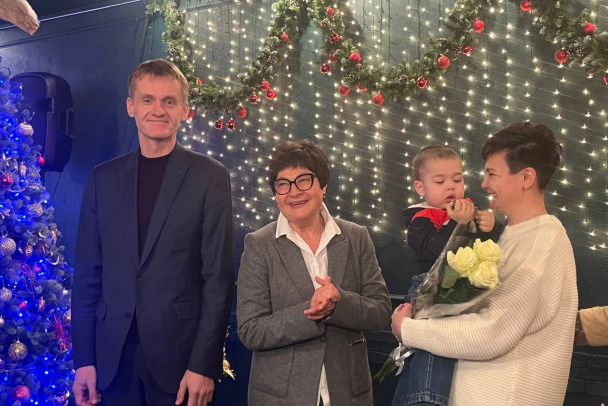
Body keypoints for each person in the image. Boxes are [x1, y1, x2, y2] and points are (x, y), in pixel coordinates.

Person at [71, 59, 235, 406]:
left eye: (169, 101)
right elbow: (87, 274)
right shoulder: (103, 178)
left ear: (184, 111)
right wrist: (83, 360)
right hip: (111, 361)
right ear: (131, 106)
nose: (158, 110)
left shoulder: (210, 177)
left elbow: (218, 280)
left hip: (181, 364)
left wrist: (204, 365)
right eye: (147, 99)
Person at [391, 122, 578, 406]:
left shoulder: (542, 242)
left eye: (492, 173)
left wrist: (408, 329)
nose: (483, 184)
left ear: (526, 177)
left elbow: (491, 331)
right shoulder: (514, 234)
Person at [237, 139, 391, 406]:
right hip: (281, 398)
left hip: (348, 394)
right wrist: (311, 312)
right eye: (283, 184)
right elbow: (251, 330)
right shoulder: (259, 244)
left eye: (303, 180)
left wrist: (338, 303)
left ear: (323, 185)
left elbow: (381, 311)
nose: (293, 192)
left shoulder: (356, 237)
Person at [394, 145, 503, 406]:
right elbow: (433, 249)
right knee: (432, 345)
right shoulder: (420, 216)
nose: (451, 187)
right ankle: (426, 400)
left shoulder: (469, 208)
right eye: (440, 181)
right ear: (421, 188)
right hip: (430, 286)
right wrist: (458, 222)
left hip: (467, 288)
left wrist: (492, 225)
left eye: (457, 179)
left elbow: (490, 245)